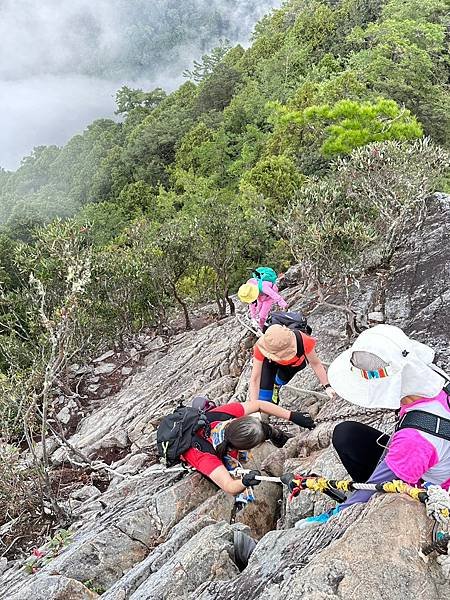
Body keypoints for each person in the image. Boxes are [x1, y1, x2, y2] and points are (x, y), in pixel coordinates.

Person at [295, 324, 450, 528]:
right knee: (347, 435)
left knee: (368, 473)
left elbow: (374, 488)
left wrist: (337, 517)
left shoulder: (415, 437)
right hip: (434, 461)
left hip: (434, 489)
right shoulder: (436, 380)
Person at [180, 397, 315, 496]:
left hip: (212, 433)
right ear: (244, 449)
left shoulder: (223, 415)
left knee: (262, 429)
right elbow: (229, 486)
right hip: (190, 444)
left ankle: (276, 435)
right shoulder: (204, 456)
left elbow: (259, 404)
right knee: (221, 477)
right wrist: (244, 482)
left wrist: (292, 415)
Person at [248, 323, 335, 406]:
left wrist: (327, 386)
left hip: (293, 365)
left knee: (282, 380)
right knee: (264, 398)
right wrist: (254, 406)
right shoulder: (260, 347)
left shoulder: (303, 340)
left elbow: (316, 364)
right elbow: (255, 378)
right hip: (269, 363)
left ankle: (276, 385)